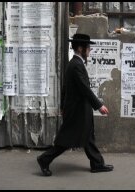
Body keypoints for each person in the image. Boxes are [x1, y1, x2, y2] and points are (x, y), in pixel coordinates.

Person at [37, 33, 114, 176]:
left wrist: (62, 106)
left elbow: (65, 88)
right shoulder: (76, 65)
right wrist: (99, 106)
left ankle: (97, 164)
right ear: (80, 48)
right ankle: (44, 159)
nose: (90, 50)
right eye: (88, 47)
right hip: (77, 111)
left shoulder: (74, 64)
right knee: (66, 140)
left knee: (88, 136)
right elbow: (85, 89)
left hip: (79, 110)